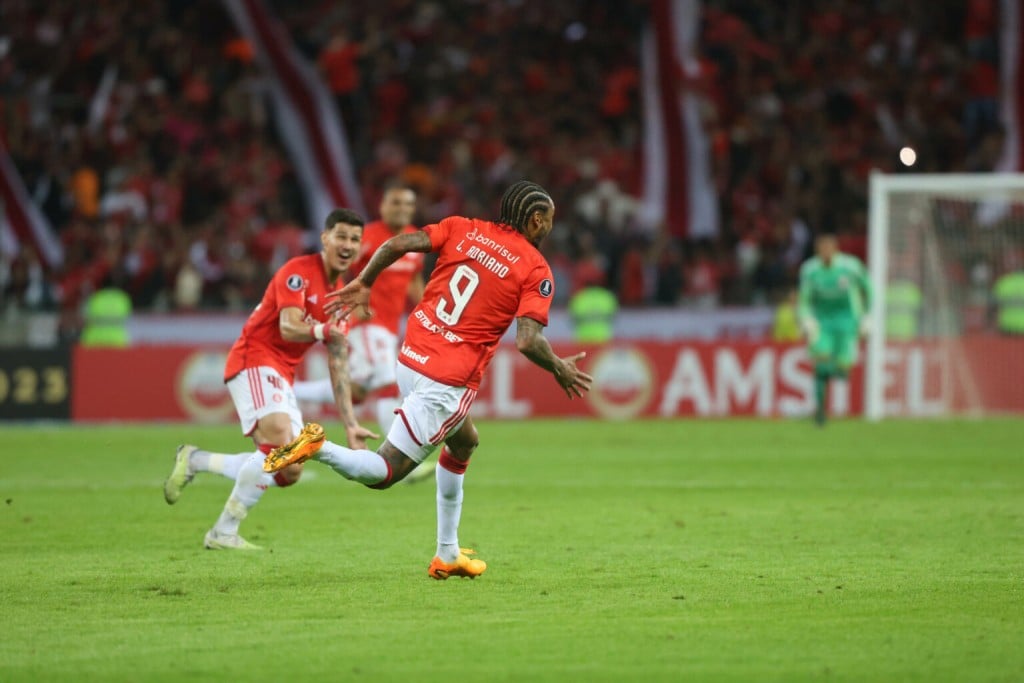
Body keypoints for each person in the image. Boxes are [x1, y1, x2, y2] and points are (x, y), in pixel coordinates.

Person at [263, 181, 593, 579]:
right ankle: (318, 447)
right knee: (384, 473)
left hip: (412, 357)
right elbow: (527, 340)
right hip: (447, 381)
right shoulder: (536, 269)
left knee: (465, 441)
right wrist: (559, 367)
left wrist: (364, 281)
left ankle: (447, 554)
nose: (551, 228)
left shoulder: (462, 227)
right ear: (536, 221)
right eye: (550, 221)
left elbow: (398, 244)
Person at [163, 209, 377, 550]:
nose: (347, 244)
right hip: (254, 358)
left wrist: (350, 423)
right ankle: (224, 532)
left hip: (280, 373)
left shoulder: (342, 297)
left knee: (289, 469)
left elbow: (338, 363)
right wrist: (323, 329)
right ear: (325, 238)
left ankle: (198, 461)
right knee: (280, 441)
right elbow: (288, 325)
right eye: (340, 236)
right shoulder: (298, 273)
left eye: (354, 239)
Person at [293, 185, 435, 483]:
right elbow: (337, 267)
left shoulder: (413, 240)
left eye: (407, 204)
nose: (401, 208)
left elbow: (413, 282)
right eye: (396, 202)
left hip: (387, 327)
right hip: (366, 323)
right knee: (388, 384)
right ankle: (399, 461)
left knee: (356, 391)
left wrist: (426, 312)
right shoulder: (367, 237)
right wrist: (347, 303)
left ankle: (289, 391)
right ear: (382, 205)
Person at [798, 232, 872, 426]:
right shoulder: (809, 270)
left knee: (843, 369)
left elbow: (869, 289)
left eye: (828, 249)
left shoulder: (850, 267)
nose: (825, 253)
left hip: (848, 322)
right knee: (820, 361)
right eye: (821, 250)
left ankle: (831, 371)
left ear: (835, 249)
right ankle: (820, 412)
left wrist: (867, 316)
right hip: (822, 323)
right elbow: (804, 299)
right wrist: (806, 319)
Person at [567, 275, 618, 343]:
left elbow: (573, 319)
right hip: (603, 338)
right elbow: (613, 317)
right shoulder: (607, 297)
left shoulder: (579, 298)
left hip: (583, 339)